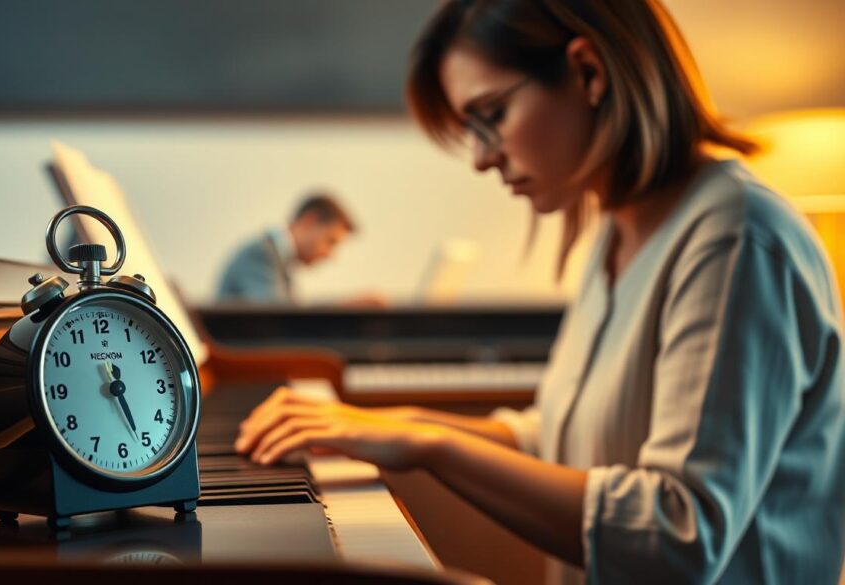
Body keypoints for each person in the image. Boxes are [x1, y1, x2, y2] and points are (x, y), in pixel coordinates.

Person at [235, 1, 845, 583]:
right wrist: (394, 423)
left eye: (491, 115)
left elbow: (679, 536)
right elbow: (560, 437)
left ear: (587, 71)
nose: (481, 158)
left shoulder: (736, 239)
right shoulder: (618, 231)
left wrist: (431, 443)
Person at [215, 192, 357, 303]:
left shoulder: (278, 260)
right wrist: (345, 307)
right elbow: (281, 317)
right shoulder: (260, 254)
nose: (330, 255)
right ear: (309, 221)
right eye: (330, 241)